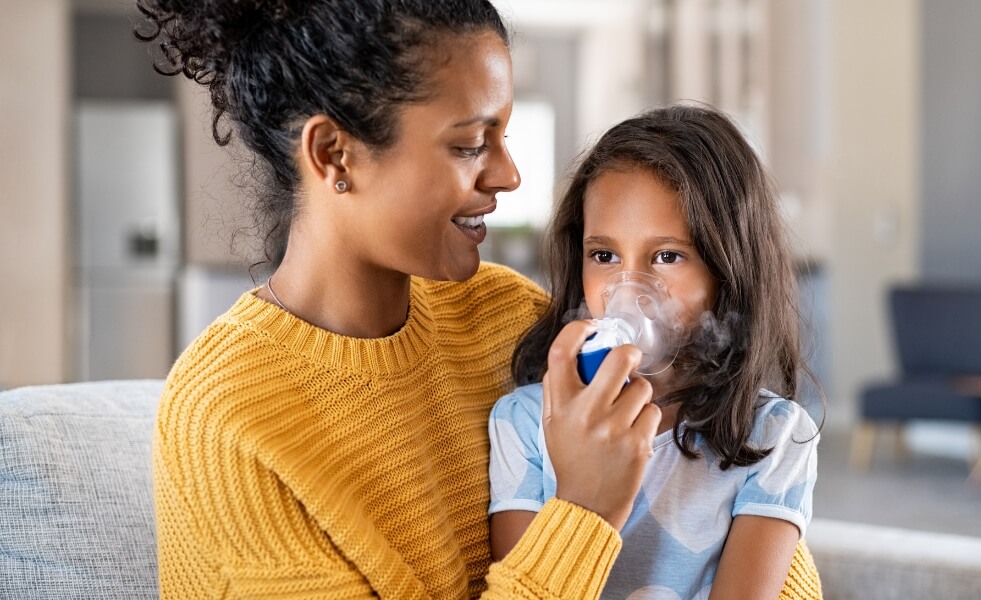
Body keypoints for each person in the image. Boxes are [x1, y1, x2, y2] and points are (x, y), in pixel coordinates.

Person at [135, 1, 662, 597]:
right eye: (469, 145)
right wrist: (584, 513)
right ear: (334, 152)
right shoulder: (225, 420)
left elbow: (709, 504)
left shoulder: (508, 317)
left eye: (503, 136)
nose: (509, 175)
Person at [489, 104, 823, 600]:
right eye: (604, 255)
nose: (629, 287)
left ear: (728, 270)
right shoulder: (525, 423)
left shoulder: (772, 437)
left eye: (667, 256)